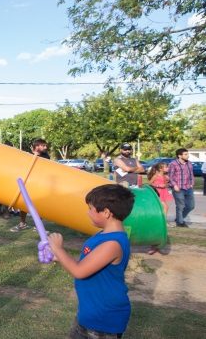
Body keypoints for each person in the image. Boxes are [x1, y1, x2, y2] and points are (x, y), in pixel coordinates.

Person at [48, 184, 134, 338]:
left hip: (103, 319)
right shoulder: (104, 235)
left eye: (91, 208)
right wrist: (59, 257)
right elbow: (86, 264)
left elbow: (79, 271)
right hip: (89, 314)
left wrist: (59, 249)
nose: (88, 213)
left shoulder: (112, 243)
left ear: (106, 212)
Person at [10, 138, 50, 232]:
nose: (45, 147)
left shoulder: (46, 156)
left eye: (45, 145)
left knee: (39, 203)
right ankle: (22, 223)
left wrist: (37, 157)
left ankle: (38, 226)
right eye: (43, 145)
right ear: (37, 146)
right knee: (23, 203)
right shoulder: (27, 155)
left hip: (38, 183)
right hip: (27, 182)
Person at [146, 162, 172, 254]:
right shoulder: (156, 175)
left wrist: (167, 182)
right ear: (160, 169)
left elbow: (166, 184)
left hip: (163, 192)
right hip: (158, 193)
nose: (167, 168)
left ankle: (162, 221)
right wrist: (158, 185)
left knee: (165, 207)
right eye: (166, 167)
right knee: (164, 207)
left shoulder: (165, 175)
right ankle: (162, 221)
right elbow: (149, 183)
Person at [168, 148, 195, 228]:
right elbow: (170, 176)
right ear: (179, 156)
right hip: (178, 188)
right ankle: (180, 222)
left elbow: (191, 174)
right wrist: (174, 185)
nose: (188, 156)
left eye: (188, 154)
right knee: (180, 206)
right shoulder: (173, 164)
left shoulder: (189, 163)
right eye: (185, 154)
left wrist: (192, 183)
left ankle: (179, 218)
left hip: (188, 187)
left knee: (191, 206)